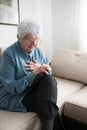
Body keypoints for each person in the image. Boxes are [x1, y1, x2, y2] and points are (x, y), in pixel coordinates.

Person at [0, 20, 65, 130]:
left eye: (37, 39)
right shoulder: (9, 55)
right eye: (30, 39)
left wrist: (43, 68)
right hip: (13, 96)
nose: (34, 43)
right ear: (18, 37)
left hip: (31, 90)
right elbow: (12, 88)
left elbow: (48, 72)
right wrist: (35, 72)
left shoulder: (37, 51)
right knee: (48, 105)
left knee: (50, 80)